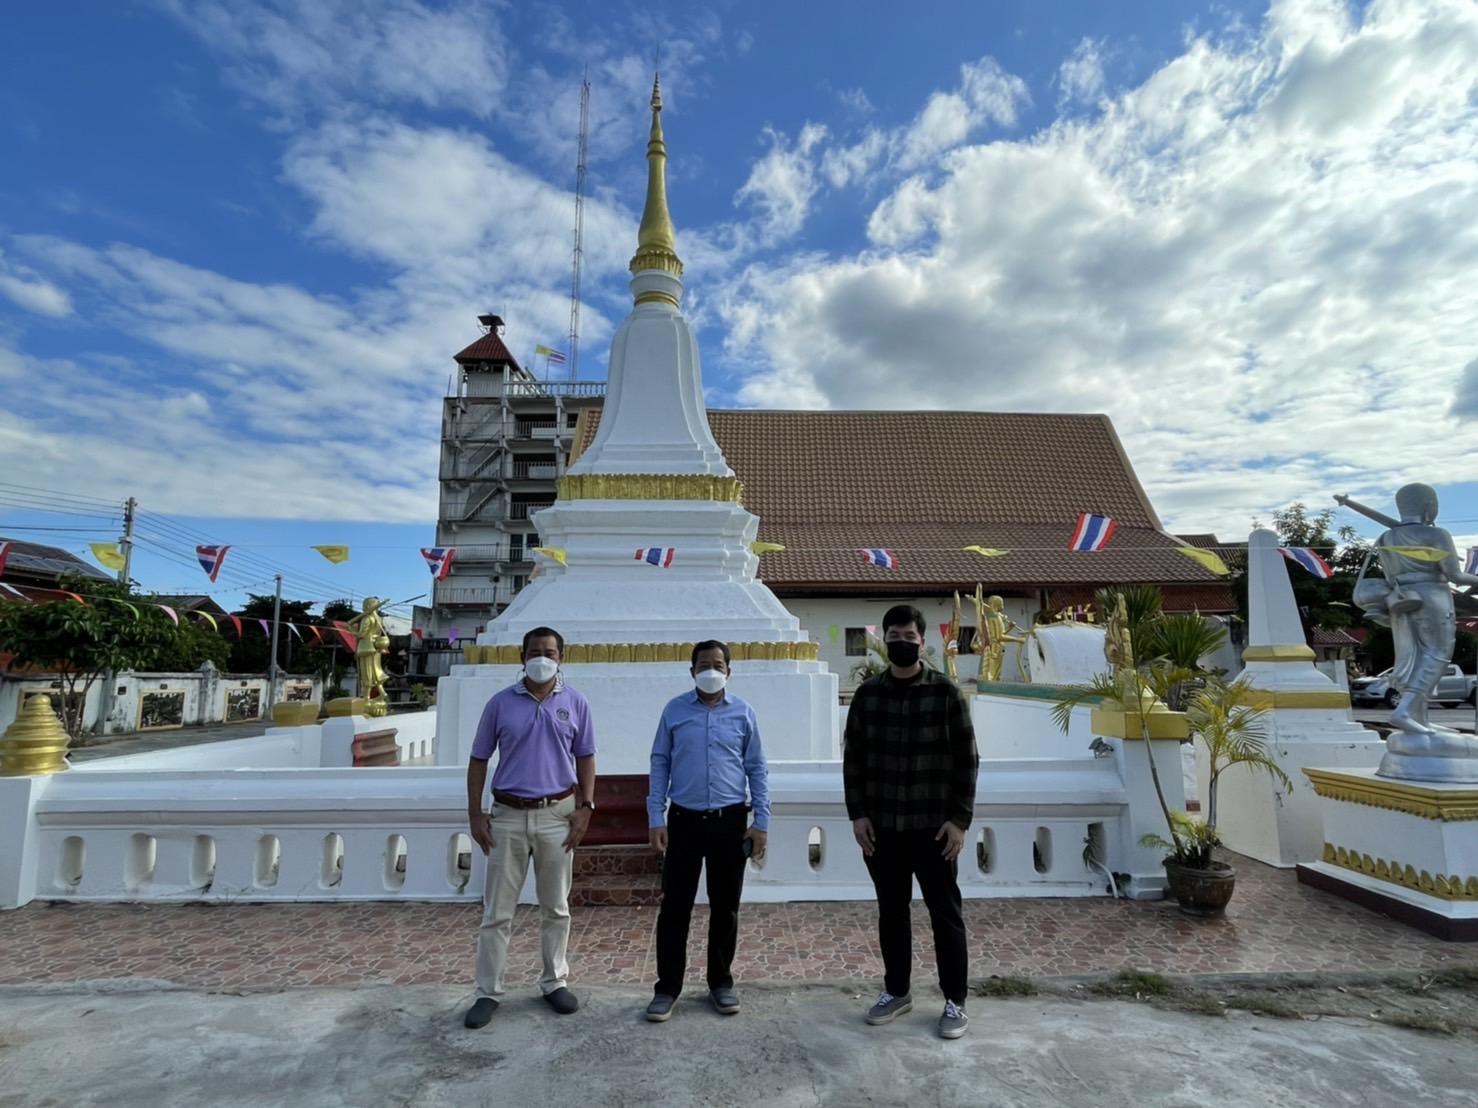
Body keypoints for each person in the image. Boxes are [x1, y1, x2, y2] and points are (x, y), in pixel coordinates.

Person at [844, 604, 979, 1040]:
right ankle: (896, 991)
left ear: (924, 642)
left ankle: (955, 1000)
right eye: (894, 637)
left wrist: (959, 820)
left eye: (909, 637)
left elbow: (967, 761)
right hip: (883, 827)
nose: (902, 643)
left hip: (934, 828)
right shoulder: (868, 695)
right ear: (885, 641)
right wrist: (858, 814)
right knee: (892, 913)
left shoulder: (945, 693)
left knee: (945, 914)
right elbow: (853, 762)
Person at [463, 626, 597, 1029]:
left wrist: (586, 808)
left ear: (561, 658)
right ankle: (488, 991)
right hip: (507, 814)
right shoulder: (500, 704)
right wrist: (474, 813)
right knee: (498, 910)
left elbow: (586, 756)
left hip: (557, 813)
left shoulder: (575, 702)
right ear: (522, 657)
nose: (543, 658)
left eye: (550, 652)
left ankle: (554, 981)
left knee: (556, 906)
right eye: (535, 651)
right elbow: (479, 759)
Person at [644, 640, 769, 1022]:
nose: (710, 670)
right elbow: (660, 761)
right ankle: (667, 988)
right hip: (683, 821)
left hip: (730, 823)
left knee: (725, 907)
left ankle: (721, 982)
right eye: (703, 664)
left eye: (718, 664)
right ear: (692, 670)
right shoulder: (675, 711)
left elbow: (757, 768)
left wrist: (761, 821)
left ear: (729, 671)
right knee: (675, 908)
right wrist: (655, 816)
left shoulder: (744, 713)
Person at [1339, 485, 1478, 770]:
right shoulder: (1437, 535)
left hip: (1401, 599)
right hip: (1433, 597)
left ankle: (1421, 720)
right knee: (1436, 654)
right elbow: (1453, 574)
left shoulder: (1386, 536)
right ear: (1429, 504)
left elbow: (1391, 575)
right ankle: (1404, 711)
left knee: (1411, 655)